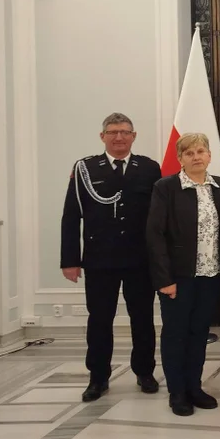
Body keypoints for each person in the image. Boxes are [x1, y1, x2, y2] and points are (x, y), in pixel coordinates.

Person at [60, 113, 161, 403]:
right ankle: (98, 377)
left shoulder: (149, 168)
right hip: (100, 259)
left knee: (142, 318)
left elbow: (159, 216)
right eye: (113, 132)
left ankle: (144, 372)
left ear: (134, 136)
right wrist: (70, 260)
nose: (119, 137)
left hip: (139, 258)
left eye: (125, 132)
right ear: (102, 136)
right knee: (100, 320)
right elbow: (71, 216)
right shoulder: (85, 168)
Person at [146, 133, 220, 417]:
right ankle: (177, 392)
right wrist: (164, 279)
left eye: (200, 151)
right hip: (178, 278)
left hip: (211, 275)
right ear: (180, 158)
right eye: (189, 153)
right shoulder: (166, 187)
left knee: (199, 334)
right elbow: (155, 235)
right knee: (176, 334)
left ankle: (195, 387)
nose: (196, 157)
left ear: (209, 155)